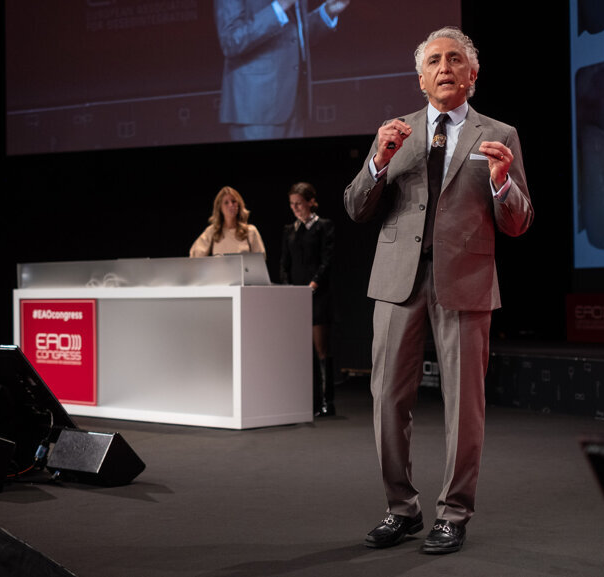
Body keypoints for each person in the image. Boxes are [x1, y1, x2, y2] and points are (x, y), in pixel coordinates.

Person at [344, 26, 534, 555]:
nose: (444, 67)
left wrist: (502, 181)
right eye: (434, 60)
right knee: (386, 400)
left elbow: (519, 223)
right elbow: (357, 207)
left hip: (466, 281)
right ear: (420, 76)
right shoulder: (395, 131)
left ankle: (454, 514)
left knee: (464, 406)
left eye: (455, 59)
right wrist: (378, 162)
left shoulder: (500, 133)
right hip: (396, 282)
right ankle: (401, 509)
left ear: (473, 75)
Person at [214, 0, 351, 141]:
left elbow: (293, 37)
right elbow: (230, 40)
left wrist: (327, 12)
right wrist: (280, 6)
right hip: (256, 112)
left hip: (295, 106)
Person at [279, 182, 336, 416]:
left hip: (318, 295)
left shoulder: (324, 227)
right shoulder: (290, 230)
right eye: (292, 205)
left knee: (321, 349)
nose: (295, 208)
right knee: (301, 351)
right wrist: (287, 288)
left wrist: (314, 284)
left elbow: (327, 260)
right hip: (296, 297)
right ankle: (307, 401)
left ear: (311, 202)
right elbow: (284, 263)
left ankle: (326, 401)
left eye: (299, 204)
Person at [190, 186, 267, 257]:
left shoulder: (250, 231)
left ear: (239, 205)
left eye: (233, 201)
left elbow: (260, 260)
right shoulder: (213, 231)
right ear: (220, 208)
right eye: (226, 202)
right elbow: (195, 255)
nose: (231, 205)